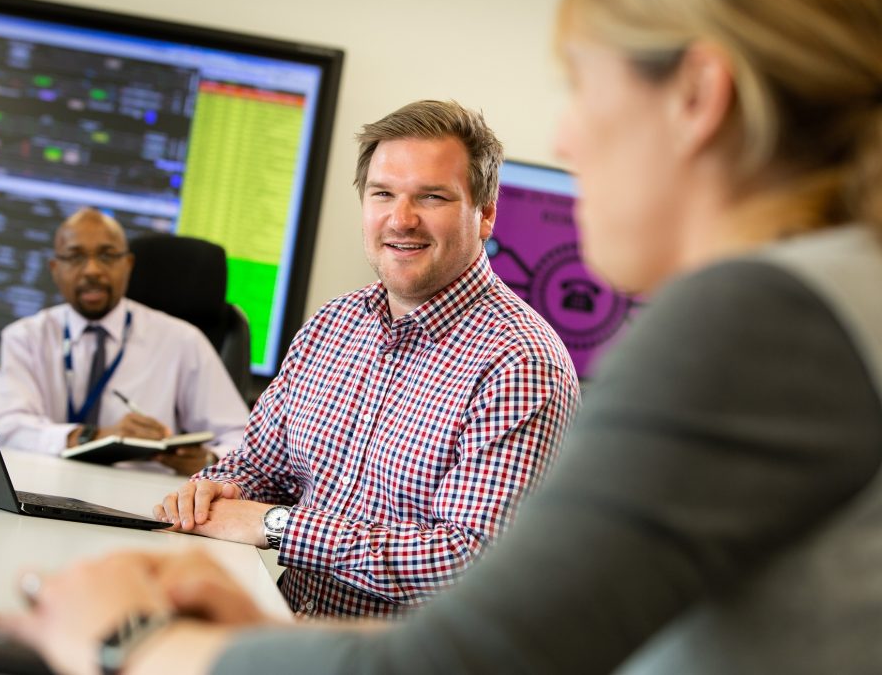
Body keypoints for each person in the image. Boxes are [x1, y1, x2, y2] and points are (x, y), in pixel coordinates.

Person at [0, 0, 882, 672]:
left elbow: (465, 659)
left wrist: (127, 640)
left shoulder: (756, 322)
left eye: (580, 86)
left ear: (696, 96)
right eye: (383, 194)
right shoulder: (832, 295)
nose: (567, 139)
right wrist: (265, 631)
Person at [151, 100, 580, 618]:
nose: (401, 219)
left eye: (432, 197)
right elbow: (260, 464)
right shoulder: (333, 324)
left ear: (485, 213)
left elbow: (466, 561)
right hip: (293, 630)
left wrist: (276, 525)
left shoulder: (520, 362)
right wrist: (215, 490)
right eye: (383, 194)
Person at [0, 207, 250, 475]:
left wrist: (208, 459)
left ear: (128, 265)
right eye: (75, 257)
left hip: (145, 500)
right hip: (43, 489)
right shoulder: (25, 338)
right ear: (55, 269)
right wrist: (92, 437)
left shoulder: (182, 340)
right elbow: (7, 428)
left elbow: (246, 440)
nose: (92, 270)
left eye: (107, 256)